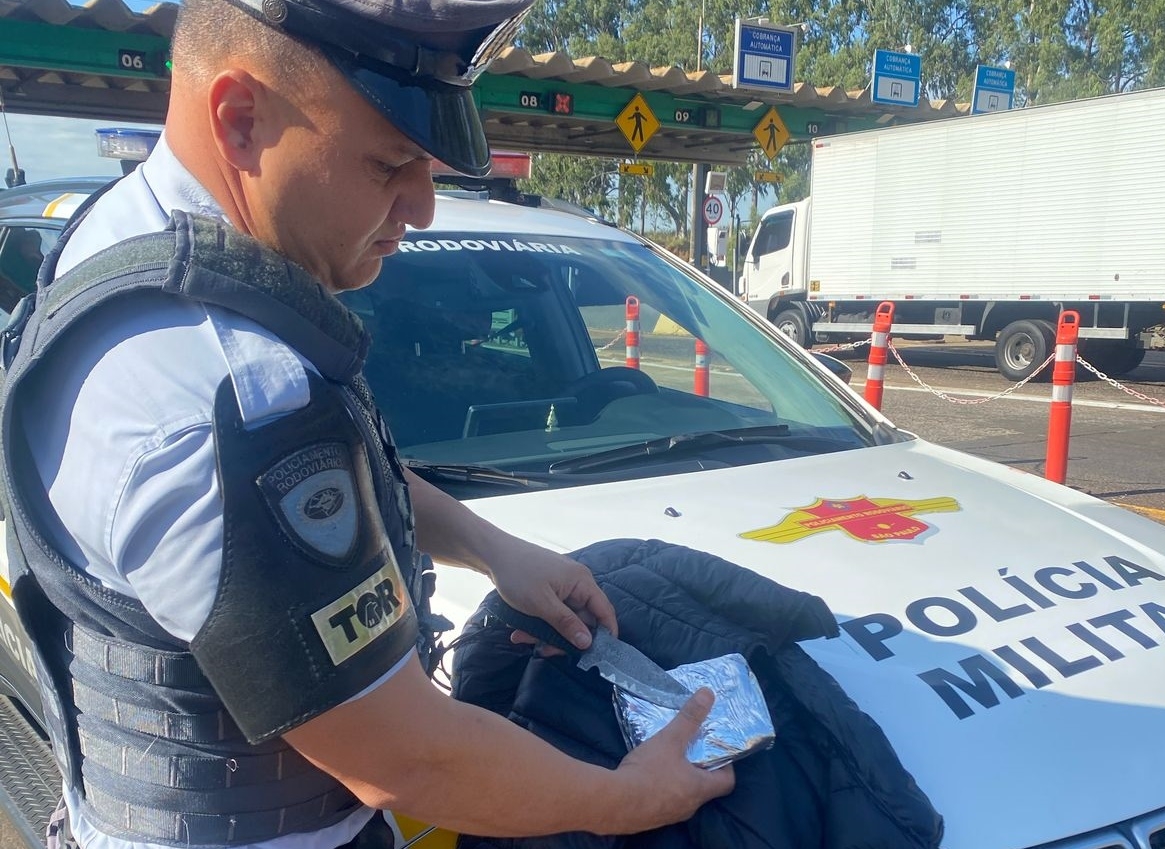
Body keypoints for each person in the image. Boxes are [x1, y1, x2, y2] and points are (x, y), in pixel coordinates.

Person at [0, 0, 734, 847]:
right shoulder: (227, 394)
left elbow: (325, 494)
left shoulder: (124, 238)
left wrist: (493, 549)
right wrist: (630, 797)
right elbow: (409, 758)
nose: (422, 207)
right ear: (239, 120)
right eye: (390, 165)